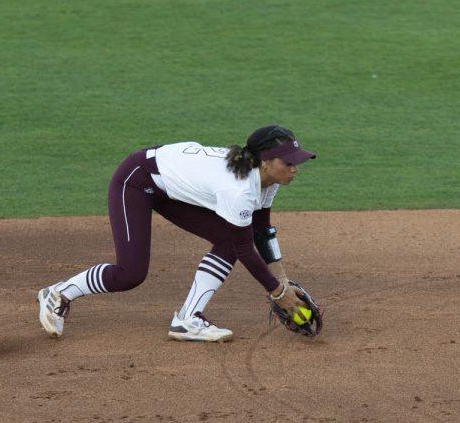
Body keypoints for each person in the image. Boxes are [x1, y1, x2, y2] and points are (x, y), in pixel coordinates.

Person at [36, 124, 315, 342]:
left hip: (169, 186)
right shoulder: (238, 189)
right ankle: (58, 293)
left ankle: (188, 319)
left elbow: (262, 230)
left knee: (228, 239)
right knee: (130, 273)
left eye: (296, 162)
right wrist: (279, 293)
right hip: (136, 180)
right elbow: (245, 249)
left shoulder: (268, 180)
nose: (294, 169)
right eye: (288, 162)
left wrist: (283, 280)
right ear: (265, 161)